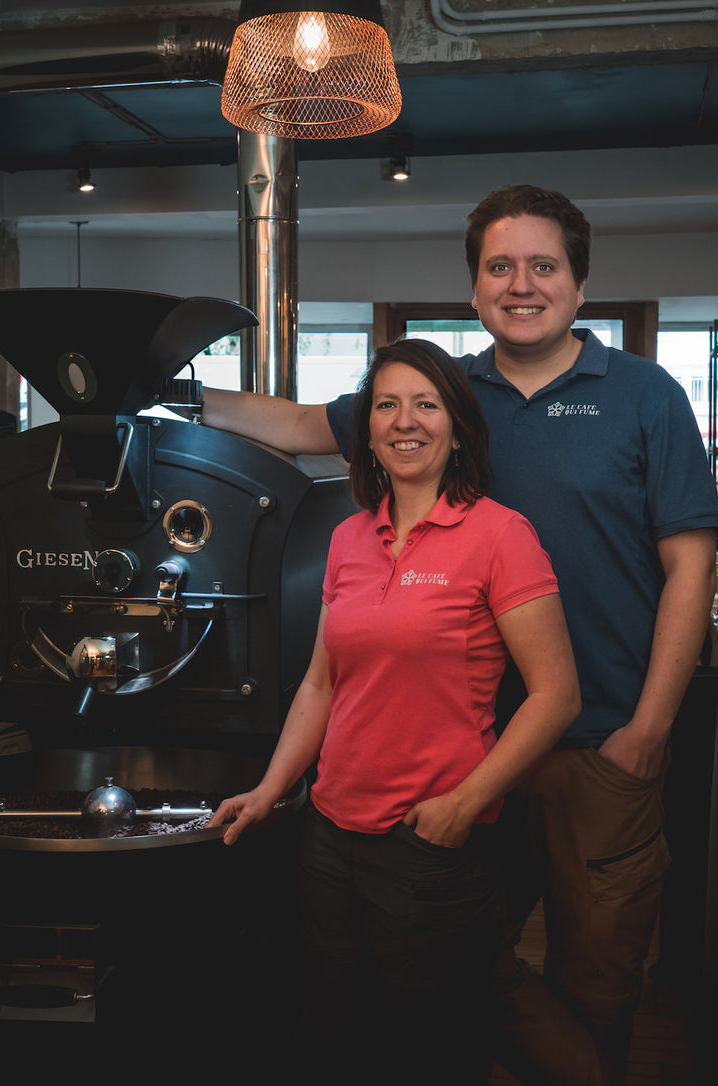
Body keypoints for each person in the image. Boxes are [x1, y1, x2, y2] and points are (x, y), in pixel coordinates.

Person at [201, 184, 718, 1084]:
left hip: (597, 741)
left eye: (544, 266)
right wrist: (168, 395)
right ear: (476, 288)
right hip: (458, 749)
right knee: (461, 967)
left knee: (596, 975)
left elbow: (690, 568)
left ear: (580, 284)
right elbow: (290, 424)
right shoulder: (441, 393)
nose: (523, 285)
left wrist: (648, 732)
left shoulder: (644, 393)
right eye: (500, 267)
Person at [208, 337, 580, 1086]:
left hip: (429, 844)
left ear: (457, 426)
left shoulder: (500, 535)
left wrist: (465, 805)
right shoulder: (349, 539)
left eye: (426, 403)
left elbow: (557, 695)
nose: (405, 421)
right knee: (343, 1035)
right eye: (386, 405)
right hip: (329, 835)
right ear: (367, 432)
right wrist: (274, 789)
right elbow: (321, 685)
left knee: (432, 1049)